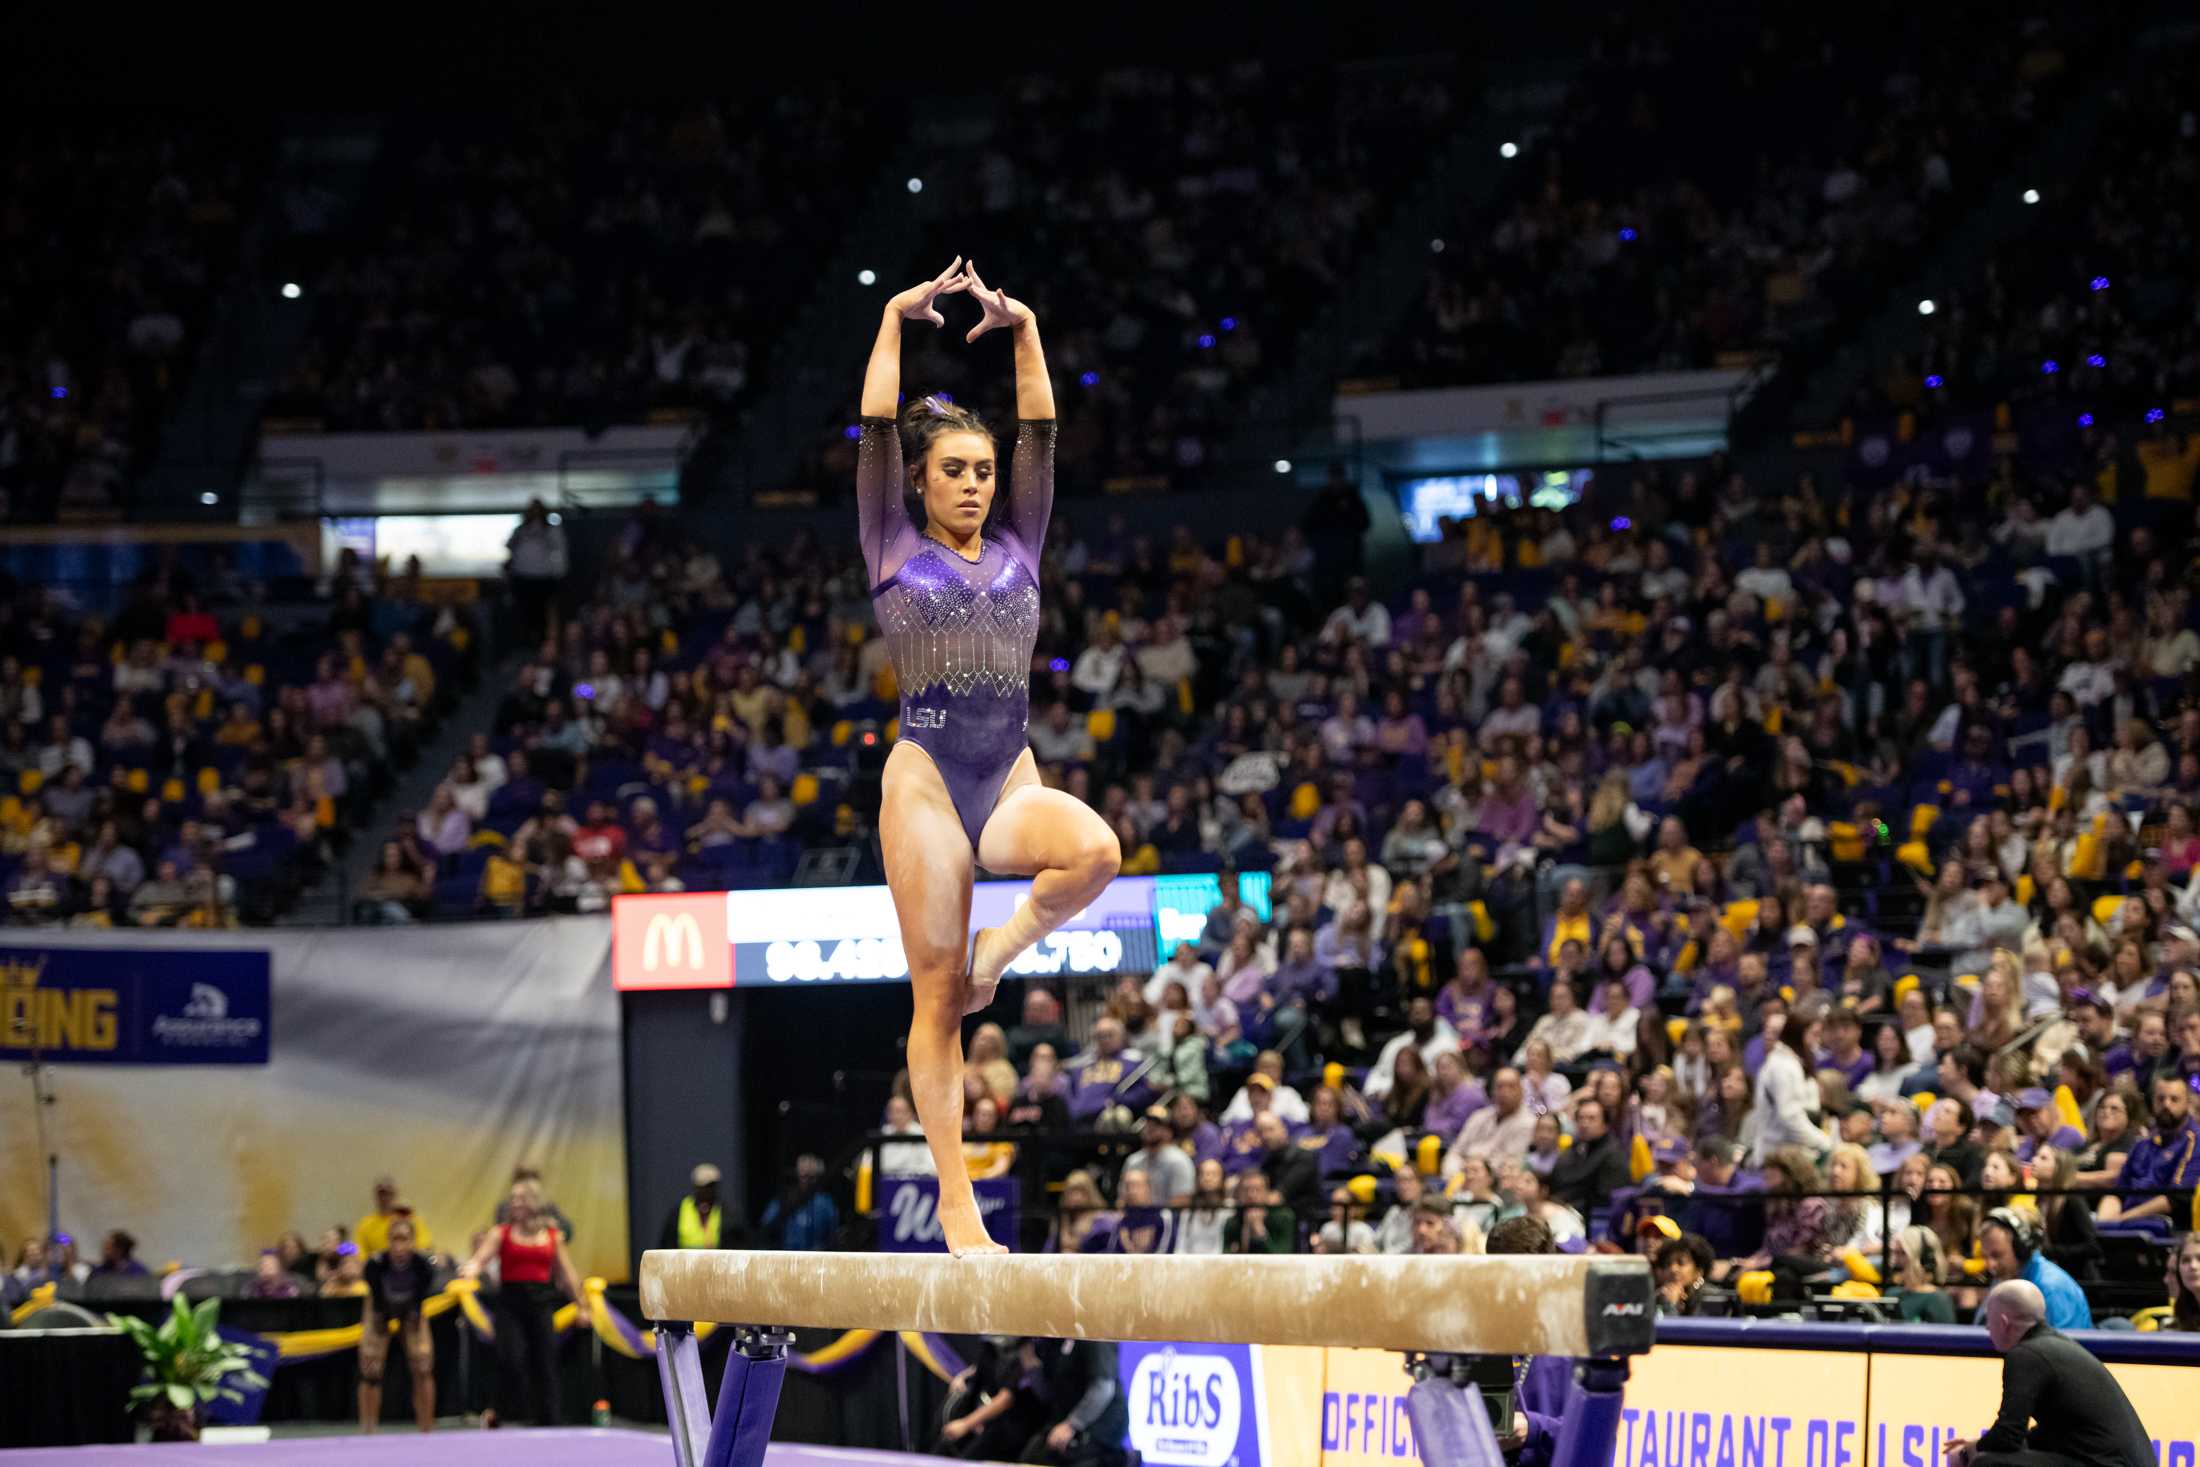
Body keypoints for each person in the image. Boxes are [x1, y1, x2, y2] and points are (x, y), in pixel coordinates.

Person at [858, 258, 1120, 1255]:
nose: (972, 484)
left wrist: (1026, 328)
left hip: (1006, 768)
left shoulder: (1022, 542)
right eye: (954, 470)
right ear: (920, 481)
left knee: (1096, 852)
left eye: (982, 471)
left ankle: (994, 955)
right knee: (934, 1003)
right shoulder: (890, 543)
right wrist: (891, 315)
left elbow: (1043, 431)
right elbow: (878, 426)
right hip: (925, 776)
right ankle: (959, 1204)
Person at [1940, 1279, 2152, 1467]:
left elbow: (2009, 1436)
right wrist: (1977, 1444)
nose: (1987, 1327)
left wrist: (1971, 1450)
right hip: (2120, 1459)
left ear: (2004, 1322)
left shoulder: (2025, 1355)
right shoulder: (2054, 1346)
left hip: (2107, 1462)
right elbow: (2047, 1433)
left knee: (1987, 1463)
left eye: (1990, 1319)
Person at [457, 1179, 590, 1428]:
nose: (514, 1202)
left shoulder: (552, 1236)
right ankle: (497, 1410)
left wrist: (581, 1305)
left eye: (520, 1198)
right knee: (512, 1358)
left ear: (534, 1202)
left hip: (541, 1304)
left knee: (546, 1361)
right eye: (513, 1198)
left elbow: (566, 1274)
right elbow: (481, 1257)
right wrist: (472, 1268)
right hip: (510, 1305)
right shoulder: (501, 1233)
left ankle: (549, 1419)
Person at [1484, 1215, 1575, 1467]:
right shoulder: (1482, 1332)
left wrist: (1533, 1428)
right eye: (1493, 1270)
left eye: (1511, 1273)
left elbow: (1596, 1433)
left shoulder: (1576, 1336)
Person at [358, 1216, 437, 1434]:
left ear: (413, 1242)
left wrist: (413, 1315)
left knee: (422, 1365)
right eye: (394, 1240)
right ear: (388, 1241)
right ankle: (368, 1430)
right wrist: (379, 1319)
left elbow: (420, 1296)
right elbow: (376, 1299)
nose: (399, 1246)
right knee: (370, 1368)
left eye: (404, 1240)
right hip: (381, 1306)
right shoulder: (375, 1265)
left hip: (411, 1306)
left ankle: (426, 1429)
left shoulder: (423, 1266)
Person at [1977, 1208, 2092, 1332]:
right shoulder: (2006, 1280)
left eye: (1997, 1255)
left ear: (2021, 1248)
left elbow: (2063, 1349)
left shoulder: (2052, 1288)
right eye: (1985, 1256)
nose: (1990, 1265)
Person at [759, 1154, 839, 1249]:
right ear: (797, 1175)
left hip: (816, 1257)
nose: (807, 1181)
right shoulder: (784, 1199)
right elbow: (766, 1227)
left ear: (818, 1178)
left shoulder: (825, 1203)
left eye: (812, 1177)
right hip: (787, 1256)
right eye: (804, 1176)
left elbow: (833, 1235)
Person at [1887, 1224, 1957, 1324]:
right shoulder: (1892, 1294)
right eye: (1894, 1252)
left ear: (1924, 1260)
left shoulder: (1937, 1300)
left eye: (1902, 1253)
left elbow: (1946, 1338)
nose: (1894, 1260)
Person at [356, 1176, 434, 1257]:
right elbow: (360, 1255)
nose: (385, 1198)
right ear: (376, 1196)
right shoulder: (365, 1224)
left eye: (389, 1193)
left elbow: (424, 1247)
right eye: (381, 1193)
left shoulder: (410, 1219)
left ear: (396, 1194)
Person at [657, 1163, 728, 1251]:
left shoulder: (728, 1214)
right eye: (702, 1187)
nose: (706, 1192)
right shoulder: (679, 1212)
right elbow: (666, 1244)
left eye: (710, 1187)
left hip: (717, 1263)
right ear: (695, 1188)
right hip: (684, 1263)